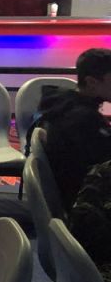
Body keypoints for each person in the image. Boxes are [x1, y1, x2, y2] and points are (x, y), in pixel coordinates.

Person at [38, 48, 111, 210]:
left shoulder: (64, 108)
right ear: (92, 82)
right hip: (88, 205)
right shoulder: (83, 120)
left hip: (78, 197)